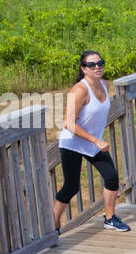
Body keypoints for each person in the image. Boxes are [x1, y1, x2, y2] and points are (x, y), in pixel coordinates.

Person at [54, 51, 129, 233]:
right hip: (73, 142)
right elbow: (68, 123)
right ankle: (52, 227)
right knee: (71, 187)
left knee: (111, 177)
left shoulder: (105, 84)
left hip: (93, 143)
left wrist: (96, 139)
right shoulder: (79, 90)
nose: (97, 67)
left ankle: (110, 218)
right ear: (83, 69)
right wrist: (96, 140)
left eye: (100, 63)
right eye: (91, 65)